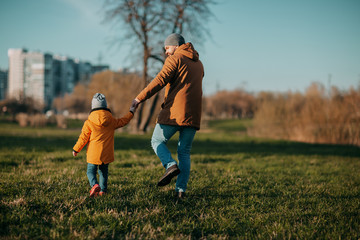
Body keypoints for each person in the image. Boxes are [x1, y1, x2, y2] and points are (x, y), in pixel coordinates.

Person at [131, 33, 204, 199]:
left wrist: (139, 98)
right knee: (184, 152)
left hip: (175, 113)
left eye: (167, 48)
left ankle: (170, 165)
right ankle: (180, 191)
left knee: (157, 141)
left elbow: (160, 80)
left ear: (176, 46)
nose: (166, 52)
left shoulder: (175, 59)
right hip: (193, 115)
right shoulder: (199, 64)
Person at [73, 93, 135, 197]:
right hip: (106, 154)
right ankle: (103, 191)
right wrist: (131, 112)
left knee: (90, 172)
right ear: (105, 106)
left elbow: (83, 138)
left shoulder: (89, 122)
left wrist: (76, 149)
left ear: (93, 107)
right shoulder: (111, 120)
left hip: (93, 155)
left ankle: (94, 185)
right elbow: (123, 121)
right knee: (103, 172)